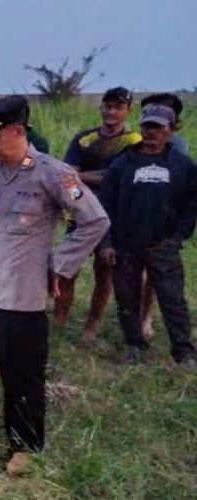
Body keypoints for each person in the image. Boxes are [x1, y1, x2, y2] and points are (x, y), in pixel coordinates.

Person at [0, 95, 108, 476]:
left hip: (21, 296)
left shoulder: (54, 174)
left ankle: (23, 447)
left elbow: (95, 221)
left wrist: (60, 265)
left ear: (16, 131)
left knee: (22, 375)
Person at [97, 101, 197, 371]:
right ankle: (134, 346)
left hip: (163, 244)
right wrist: (106, 243)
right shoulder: (122, 164)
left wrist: (178, 237)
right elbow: (104, 205)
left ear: (170, 130)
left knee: (173, 300)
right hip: (125, 244)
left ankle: (184, 352)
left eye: (157, 127)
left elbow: (191, 205)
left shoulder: (183, 166)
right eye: (147, 126)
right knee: (127, 298)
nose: (151, 132)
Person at [56, 87, 142, 341]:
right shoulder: (84, 139)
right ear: (101, 107)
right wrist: (83, 184)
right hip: (79, 213)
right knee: (67, 269)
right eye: (108, 106)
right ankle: (59, 321)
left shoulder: (134, 142)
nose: (112, 112)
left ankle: (91, 328)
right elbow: (66, 176)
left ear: (128, 111)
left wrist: (81, 177)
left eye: (118, 107)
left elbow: (115, 179)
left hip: (114, 215)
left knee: (104, 269)